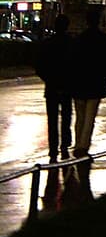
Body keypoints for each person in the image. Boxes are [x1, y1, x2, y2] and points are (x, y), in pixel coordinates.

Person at [68, 8, 106, 159]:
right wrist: (104, 76)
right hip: (96, 83)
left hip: (79, 82)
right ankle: (84, 145)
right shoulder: (104, 39)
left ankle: (77, 144)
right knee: (90, 117)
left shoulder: (79, 39)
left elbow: (71, 60)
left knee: (80, 116)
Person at [33, 15, 74, 161]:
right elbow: (75, 66)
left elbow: (39, 66)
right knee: (66, 115)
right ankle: (65, 143)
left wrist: (49, 79)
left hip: (51, 86)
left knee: (52, 118)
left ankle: (53, 147)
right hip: (67, 86)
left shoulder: (47, 44)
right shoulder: (71, 43)